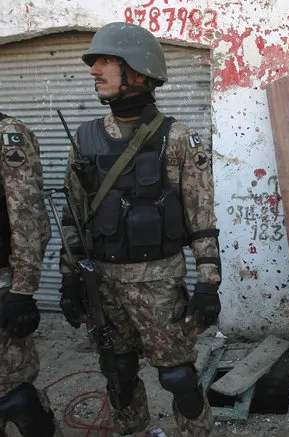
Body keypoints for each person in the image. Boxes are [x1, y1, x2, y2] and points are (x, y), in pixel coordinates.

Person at [58, 22, 221, 437]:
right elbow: (72, 216)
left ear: (140, 72)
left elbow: (203, 221)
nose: (95, 70)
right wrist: (68, 280)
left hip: (160, 282)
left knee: (178, 378)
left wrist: (207, 287)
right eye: (94, 62)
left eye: (107, 61)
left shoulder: (180, 140)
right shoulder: (86, 138)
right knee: (120, 372)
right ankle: (132, 431)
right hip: (104, 282)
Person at [0, 113, 60, 436]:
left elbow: (27, 214)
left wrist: (22, 290)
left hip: (3, 279)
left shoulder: (8, 134)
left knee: (10, 388)